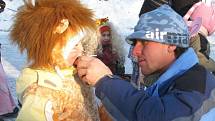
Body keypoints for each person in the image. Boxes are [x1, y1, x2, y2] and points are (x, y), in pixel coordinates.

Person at [74, 5, 215, 121]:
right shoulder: (176, 79)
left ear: (172, 44)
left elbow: (158, 117)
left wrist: (105, 80)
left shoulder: (198, 81)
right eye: (135, 43)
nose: (135, 52)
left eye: (145, 42)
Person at [10, 0, 101, 120]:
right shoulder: (41, 93)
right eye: (74, 45)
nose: (81, 50)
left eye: (81, 43)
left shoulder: (74, 74)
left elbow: (91, 108)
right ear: (52, 51)